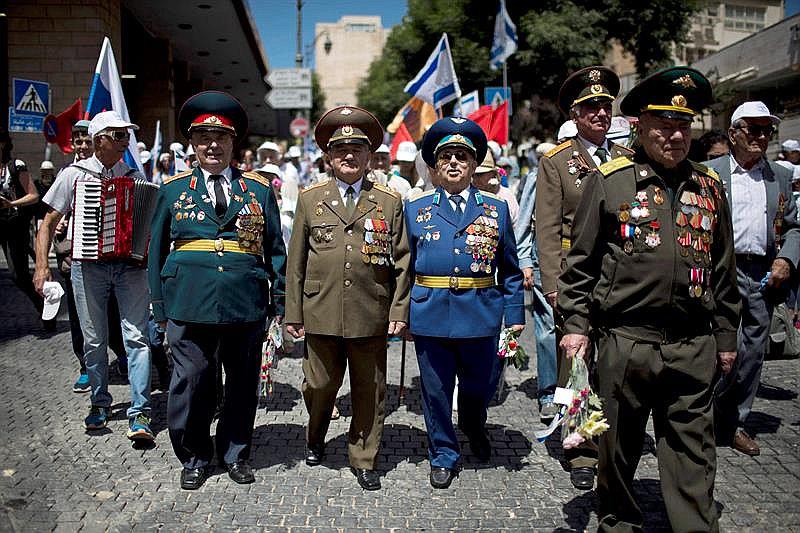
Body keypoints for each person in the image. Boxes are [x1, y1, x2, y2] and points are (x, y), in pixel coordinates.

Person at [559, 66, 740, 532]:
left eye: (683, 125)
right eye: (664, 124)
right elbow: (581, 262)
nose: (675, 135)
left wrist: (725, 337)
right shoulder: (611, 181)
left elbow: (723, 271)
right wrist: (576, 326)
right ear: (640, 125)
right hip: (627, 342)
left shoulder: (709, 186)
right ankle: (619, 522)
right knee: (617, 448)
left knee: (693, 451)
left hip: (692, 343)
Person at [148, 91, 286, 489]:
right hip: (188, 303)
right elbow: (155, 250)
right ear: (192, 143)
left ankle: (235, 452)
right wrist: (159, 309)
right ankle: (193, 455)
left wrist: (278, 302)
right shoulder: (172, 190)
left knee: (242, 384)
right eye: (204, 136)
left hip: (245, 305)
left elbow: (275, 248)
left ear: (233, 143)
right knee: (191, 381)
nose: (212, 144)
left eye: (221, 137)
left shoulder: (258, 191)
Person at [285, 105, 411, 491]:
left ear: (369, 155)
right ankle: (316, 433)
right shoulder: (311, 199)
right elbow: (296, 261)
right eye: (341, 150)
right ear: (328, 157)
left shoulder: (388, 201)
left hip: (369, 310)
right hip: (319, 308)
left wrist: (399, 309)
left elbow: (403, 261)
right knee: (318, 385)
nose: (349, 156)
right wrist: (293, 312)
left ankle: (363, 456)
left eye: (357, 149)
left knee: (369, 390)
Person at [406, 117, 524, 489]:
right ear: (435, 166)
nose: (454, 163)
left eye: (462, 156)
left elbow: (510, 268)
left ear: (474, 166)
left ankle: (474, 426)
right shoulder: (415, 208)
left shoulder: (495, 209)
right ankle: (443, 452)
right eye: (447, 157)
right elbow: (403, 267)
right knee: (436, 391)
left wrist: (514, 313)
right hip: (431, 312)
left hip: (480, 313)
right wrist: (399, 314)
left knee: (477, 389)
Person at [535, 65, 634, 490]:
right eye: (591, 107)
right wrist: (554, 286)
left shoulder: (625, 160)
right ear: (575, 115)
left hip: (621, 283)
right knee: (576, 367)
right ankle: (579, 449)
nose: (600, 114)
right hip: (577, 281)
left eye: (605, 106)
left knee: (616, 363)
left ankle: (613, 436)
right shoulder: (557, 163)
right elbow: (548, 229)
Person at [33, 111, 154, 439]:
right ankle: (100, 401)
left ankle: (140, 411)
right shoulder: (74, 175)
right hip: (88, 267)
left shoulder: (134, 174)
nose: (125, 140)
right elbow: (46, 222)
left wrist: (147, 246)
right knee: (94, 338)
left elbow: (152, 221)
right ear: (100, 139)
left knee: (138, 336)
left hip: (131, 267)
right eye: (118, 135)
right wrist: (42, 267)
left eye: (127, 135)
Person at [707, 101, 800, 457]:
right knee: (717, 345)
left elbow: (793, 226)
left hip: (762, 272)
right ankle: (704, 415)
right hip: (720, 271)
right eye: (754, 129)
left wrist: (786, 259)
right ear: (734, 133)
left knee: (752, 351)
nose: (762, 137)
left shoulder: (778, 175)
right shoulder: (710, 172)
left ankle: (734, 422)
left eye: (767, 131)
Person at [514, 159, 558, 423]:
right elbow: (525, 222)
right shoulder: (537, 175)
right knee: (547, 330)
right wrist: (524, 260)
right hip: (545, 258)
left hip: (585, 260)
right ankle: (549, 394)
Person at [1, 127, 44, 320]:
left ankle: (43, 308)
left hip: (13, 226)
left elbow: (33, 196)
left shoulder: (15, 165)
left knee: (19, 276)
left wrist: (11, 203)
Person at [472, 150, 520, 224]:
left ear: (492, 174)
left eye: (479, 174)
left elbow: (516, 224)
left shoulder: (506, 195)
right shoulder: (467, 193)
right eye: (472, 175)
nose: (475, 179)